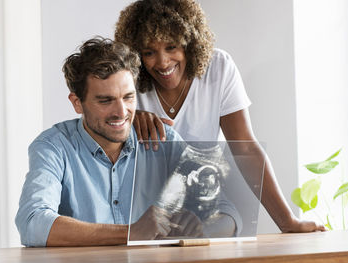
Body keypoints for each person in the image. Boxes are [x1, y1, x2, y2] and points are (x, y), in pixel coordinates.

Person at [114, 0, 326, 233]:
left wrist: (288, 222)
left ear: (190, 43)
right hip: (141, 204)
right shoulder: (127, 82)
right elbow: (100, 139)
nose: (163, 62)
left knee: (221, 228)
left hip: (198, 197)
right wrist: (126, 117)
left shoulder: (219, 68)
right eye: (149, 52)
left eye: (172, 47)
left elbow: (245, 148)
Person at [15, 37, 238, 247]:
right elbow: (33, 222)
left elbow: (228, 215)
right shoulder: (53, 146)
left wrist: (202, 227)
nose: (121, 112)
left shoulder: (164, 140)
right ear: (77, 103)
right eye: (106, 100)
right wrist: (130, 233)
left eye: (128, 97)